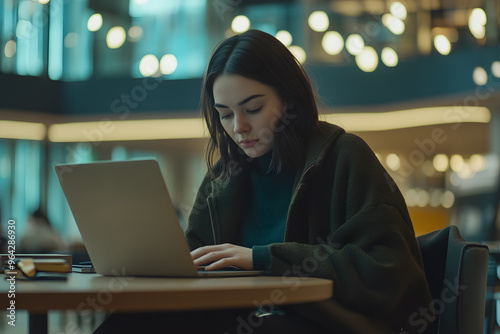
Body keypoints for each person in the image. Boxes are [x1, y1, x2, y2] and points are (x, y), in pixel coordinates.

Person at [95, 29, 433, 334]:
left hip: (323, 322)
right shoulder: (224, 177)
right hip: (244, 316)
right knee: (129, 321)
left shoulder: (344, 156)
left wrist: (262, 257)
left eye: (253, 108)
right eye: (224, 114)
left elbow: (391, 271)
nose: (238, 127)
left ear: (288, 99)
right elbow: (195, 257)